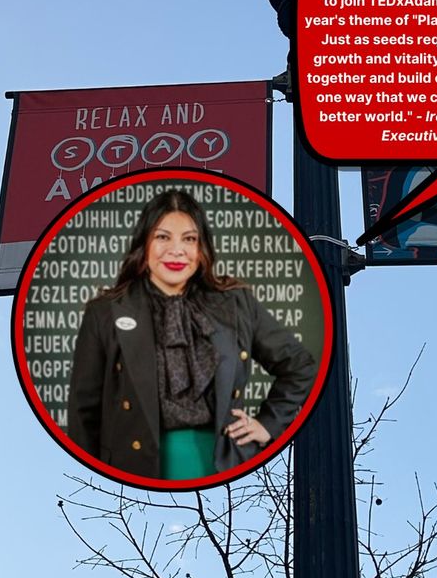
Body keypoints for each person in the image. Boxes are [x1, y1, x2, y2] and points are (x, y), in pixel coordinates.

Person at [67, 188, 318, 480]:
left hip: (227, 467)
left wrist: (268, 425)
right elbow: (84, 413)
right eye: (163, 237)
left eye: (189, 239)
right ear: (144, 243)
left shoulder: (236, 302)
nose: (177, 250)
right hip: (133, 467)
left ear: (201, 249)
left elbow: (299, 365)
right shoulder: (105, 311)